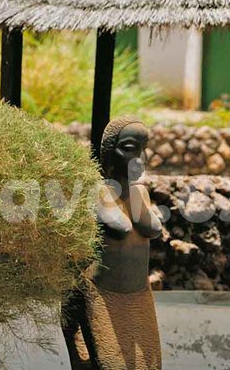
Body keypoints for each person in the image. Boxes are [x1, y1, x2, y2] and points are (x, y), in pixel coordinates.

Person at [62, 117, 163, 369]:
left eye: (143, 148)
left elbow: (152, 227)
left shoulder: (140, 193)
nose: (140, 158)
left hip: (139, 293)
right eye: (129, 149)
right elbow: (119, 225)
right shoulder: (96, 191)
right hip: (104, 294)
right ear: (110, 152)